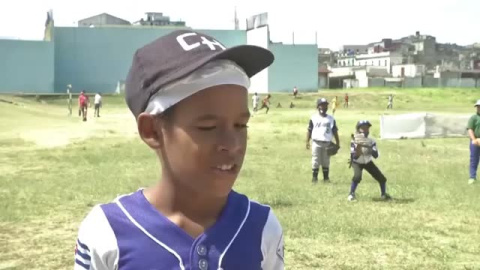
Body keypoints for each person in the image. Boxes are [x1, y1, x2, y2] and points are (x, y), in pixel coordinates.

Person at [74, 30, 284, 270]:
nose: (234, 144)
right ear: (152, 130)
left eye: (240, 125)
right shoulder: (108, 232)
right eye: (208, 127)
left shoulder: (262, 228)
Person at [348, 120, 391, 201]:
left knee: (382, 178)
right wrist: (358, 148)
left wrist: (369, 148)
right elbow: (355, 156)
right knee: (357, 177)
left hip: (367, 161)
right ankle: (351, 194)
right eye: (362, 128)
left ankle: (383, 194)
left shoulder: (371, 141)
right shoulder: (354, 140)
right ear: (358, 129)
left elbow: (376, 155)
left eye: (367, 128)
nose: (365, 130)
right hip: (357, 162)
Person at [306, 98, 340, 183]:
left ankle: (326, 178)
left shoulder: (331, 118)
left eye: (325, 105)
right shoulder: (313, 118)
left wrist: (337, 143)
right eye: (322, 105)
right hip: (316, 142)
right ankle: (314, 178)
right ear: (318, 106)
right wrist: (307, 141)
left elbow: (335, 131)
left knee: (326, 161)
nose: (324, 107)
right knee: (315, 160)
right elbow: (309, 130)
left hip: (327, 143)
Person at [467, 100, 480, 184]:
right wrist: (474, 139)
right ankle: (472, 177)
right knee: (474, 159)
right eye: (478, 106)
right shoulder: (474, 117)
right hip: (475, 141)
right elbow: (470, 129)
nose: (479, 108)